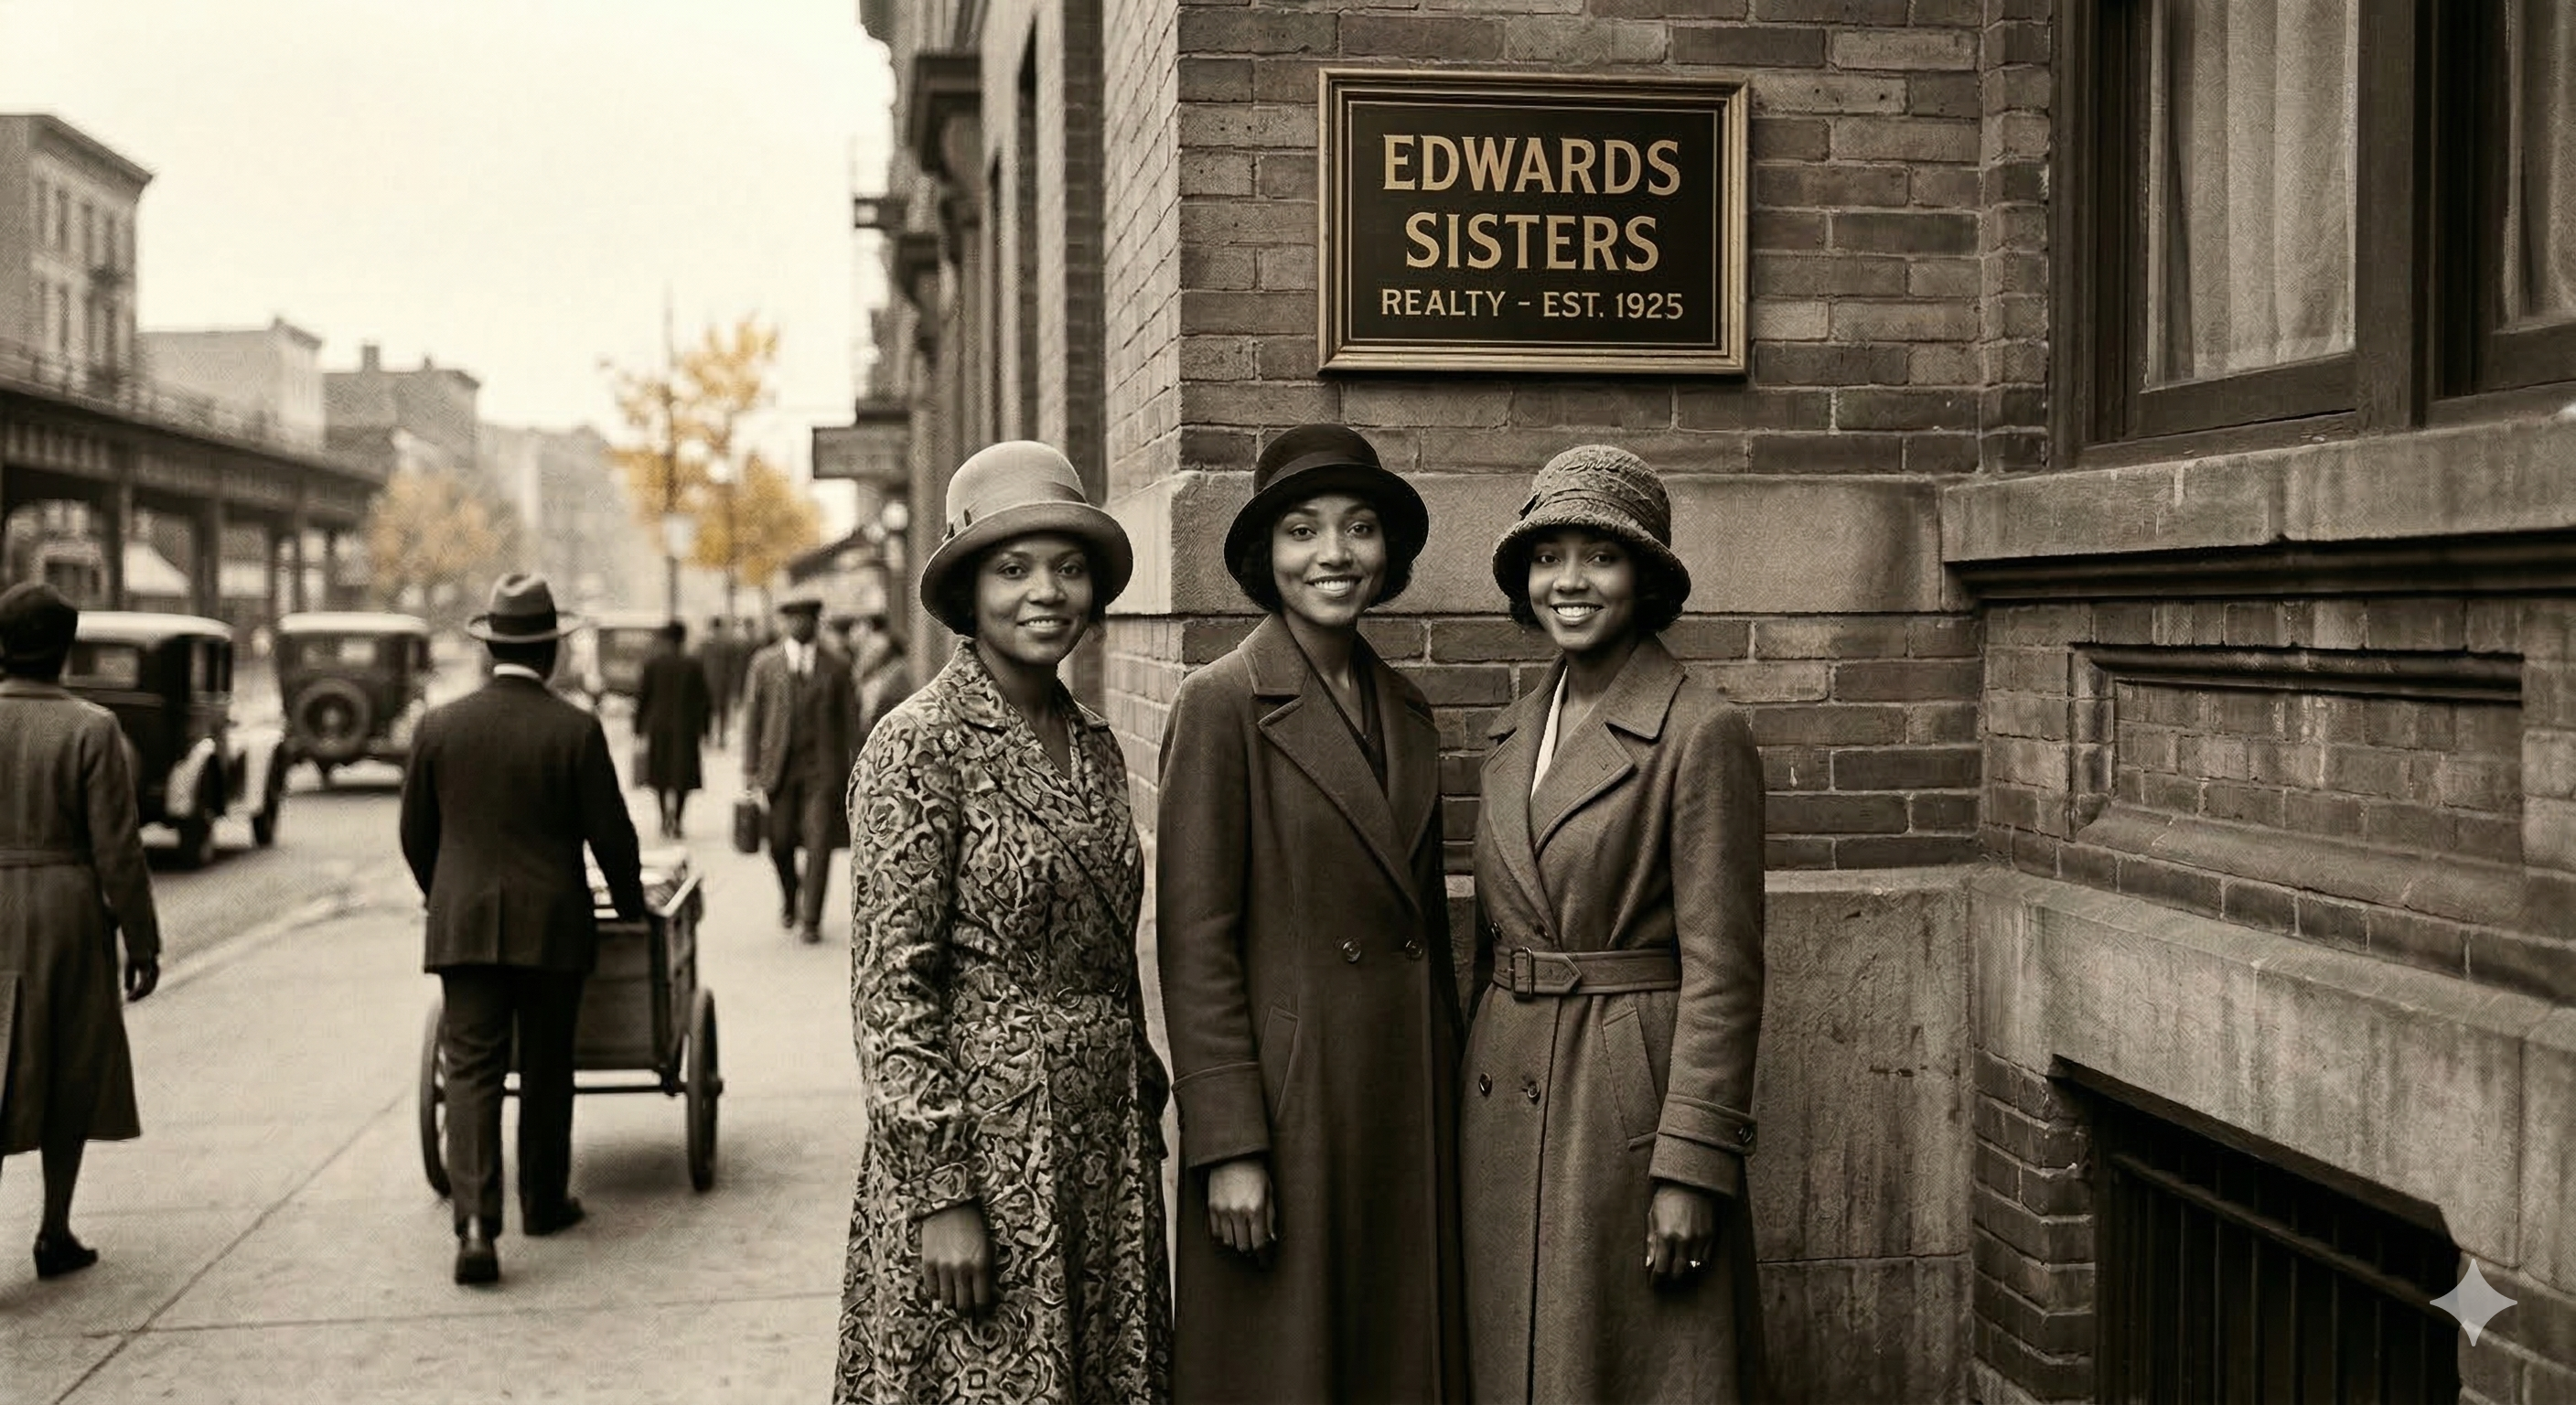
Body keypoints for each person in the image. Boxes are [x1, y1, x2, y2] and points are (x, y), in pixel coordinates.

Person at [836, 441, 1170, 1403]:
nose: (1045, 592)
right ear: (968, 590)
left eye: (1068, 567)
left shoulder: (1098, 746)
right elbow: (891, 994)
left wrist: (1137, 1102)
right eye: (1013, 568)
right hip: (983, 1156)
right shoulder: (918, 743)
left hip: (1101, 1154)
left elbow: (1108, 958)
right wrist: (942, 1193)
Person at [1156, 424, 1467, 1402]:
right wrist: (1229, 1144)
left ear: (1389, 554)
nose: (1333, 554)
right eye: (1301, 531)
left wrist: (1450, 1095)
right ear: (1263, 556)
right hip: (1290, 1111)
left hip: (1401, 1094)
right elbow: (1193, 945)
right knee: (1286, 1370)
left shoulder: (1407, 709)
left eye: (1359, 528)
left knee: (1393, 1362)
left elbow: (1425, 933)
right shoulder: (1220, 704)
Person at [1463, 445, 1768, 1403]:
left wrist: (1690, 1163)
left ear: (1644, 578)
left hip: (1621, 1096)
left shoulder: (1698, 730)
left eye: (1599, 555)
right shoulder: (1515, 725)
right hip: (1500, 1087)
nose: (1569, 581)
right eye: (1547, 556)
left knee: (1623, 1364)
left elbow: (1724, 969)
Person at [400, 573, 646, 1286]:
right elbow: (612, 837)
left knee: (472, 1069)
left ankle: (477, 1225)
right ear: (550, 655)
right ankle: (543, 1201)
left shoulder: (439, 727)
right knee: (546, 1066)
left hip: (464, 926)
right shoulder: (575, 729)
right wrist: (630, 907)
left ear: (490, 650)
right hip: (553, 928)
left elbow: (417, 835)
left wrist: (446, 895)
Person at [0, 582, 159, 1281]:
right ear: (66, 649)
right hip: (65, 907)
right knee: (67, 1062)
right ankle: (53, 1229)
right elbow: (118, 849)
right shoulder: (93, 729)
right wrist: (142, 939)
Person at [739, 587, 863, 944]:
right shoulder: (764, 664)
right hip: (779, 769)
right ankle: (791, 895)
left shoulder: (837, 666)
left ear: (815, 622)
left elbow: (851, 722)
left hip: (822, 772)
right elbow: (753, 719)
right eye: (792, 618)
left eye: (805, 619)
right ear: (784, 622)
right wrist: (750, 770)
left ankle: (811, 920)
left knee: (820, 841)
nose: (799, 624)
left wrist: (858, 768)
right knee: (778, 843)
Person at [634, 619, 714, 840]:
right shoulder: (693, 665)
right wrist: (705, 730)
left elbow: (642, 698)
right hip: (685, 728)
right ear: (683, 639)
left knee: (659, 774)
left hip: (658, 727)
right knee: (682, 776)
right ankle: (677, 820)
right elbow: (704, 700)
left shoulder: (652, 664)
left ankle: (663, 819)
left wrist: (638, 728)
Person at [696, 616, 747, 747]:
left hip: (718, 683)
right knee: (711, 712)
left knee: (718, 712)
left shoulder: (719, 646)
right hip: (712, 683)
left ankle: (718, 737)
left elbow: (734, 667)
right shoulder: (708, 646)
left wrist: (734, 685)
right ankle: (712, 737)